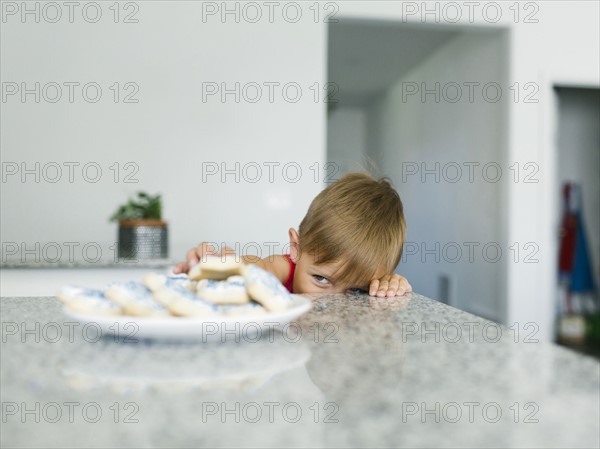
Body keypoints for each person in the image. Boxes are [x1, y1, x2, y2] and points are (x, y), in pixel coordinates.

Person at [173, 172, 412, 297]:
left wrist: (392, 285)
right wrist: (220, 267)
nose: (330, 301)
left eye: (356, 291)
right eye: (320, 279)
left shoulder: (371, 276)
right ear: (296, 248)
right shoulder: (283, 268)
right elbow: (257, 268)